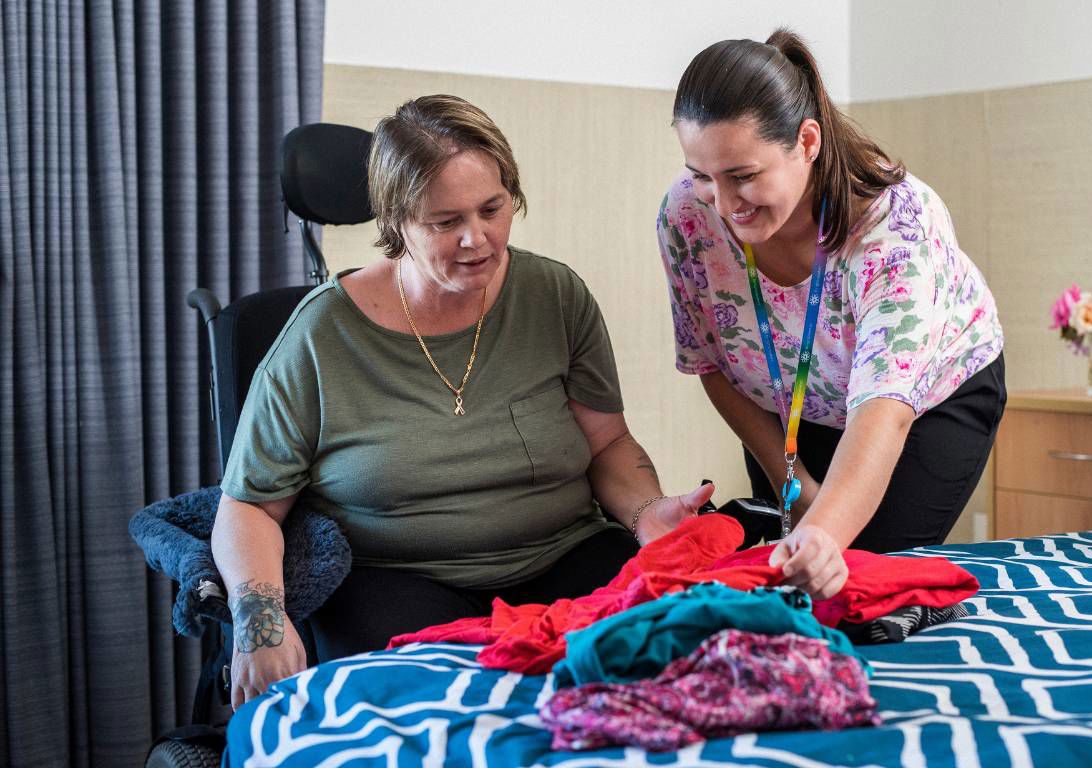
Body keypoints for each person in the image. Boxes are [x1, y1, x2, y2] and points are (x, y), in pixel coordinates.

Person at [212, 94, 712, 709]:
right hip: (398, 582)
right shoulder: (319, 336)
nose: (477, 239)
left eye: (492, 209)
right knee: (453, 715)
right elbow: (249, 508)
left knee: (667, 670)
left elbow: (606, 443)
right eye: (445, 222)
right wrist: (259, 620)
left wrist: (646, 514)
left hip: (563, 556)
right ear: (397, 223)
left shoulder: (554, 295)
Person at [657, 30, 1005, 602]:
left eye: (743, 176)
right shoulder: (687, 215)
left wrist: (822, 534)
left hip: (922, 402)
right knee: (784, 571)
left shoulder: (896, 226)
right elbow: (710, 361)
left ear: (807, 141)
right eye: (701, 174)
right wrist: (790, 486)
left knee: (855, 577)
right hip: (793, 409)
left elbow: (884, 413)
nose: (722, 204)